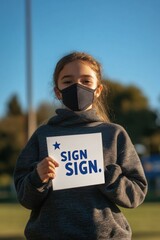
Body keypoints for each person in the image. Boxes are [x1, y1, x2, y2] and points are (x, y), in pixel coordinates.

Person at [14, 51, 148, 240]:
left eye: (86, 81)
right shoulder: (42, 135)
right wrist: (38, 178)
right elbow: (24, 197)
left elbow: (136, 193)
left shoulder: (114, 134)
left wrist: (108, 175)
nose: (77, 86)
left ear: (98, 90)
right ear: (57, 92)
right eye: (68, 81)